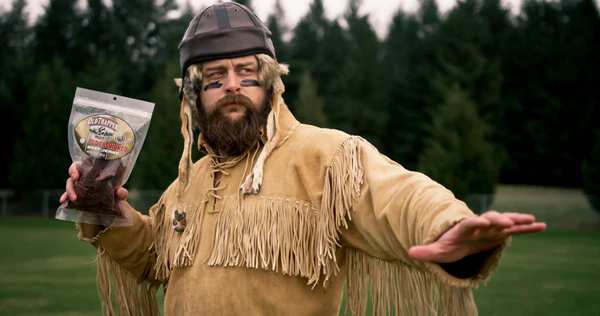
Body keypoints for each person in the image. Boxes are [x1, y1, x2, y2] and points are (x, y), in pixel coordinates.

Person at [60, 2, 546, 316]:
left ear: (271, 83)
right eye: (214, 77)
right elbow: (153, 259)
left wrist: (448, 226)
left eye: (247, 72)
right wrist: (111, 215)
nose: (232, 84)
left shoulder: (326, 155)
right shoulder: (189, 180)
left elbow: (398, 194)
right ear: (193, 97)